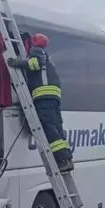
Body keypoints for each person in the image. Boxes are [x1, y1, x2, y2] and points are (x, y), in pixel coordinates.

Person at [7, 33, 73, 172]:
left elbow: (34, 64)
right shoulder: (47, 55)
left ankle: (61, 159)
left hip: (44, 95)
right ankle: (67, 158)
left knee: (48, 126)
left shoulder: (35, 51)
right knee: (58, 127)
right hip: (54, 95)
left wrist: (15, 63)